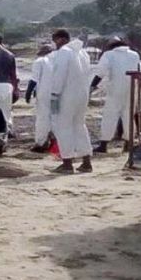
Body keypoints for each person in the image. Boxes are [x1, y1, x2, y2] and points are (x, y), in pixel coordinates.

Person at [91, 38, 141, 153]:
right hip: (132, 88)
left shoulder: (109, 55)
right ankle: (129, 143)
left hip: (115, 90)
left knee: (110, 116)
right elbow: (140, 70)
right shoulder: (134, 55)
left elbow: (100, 72)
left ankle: (104, 144)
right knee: (128, 116)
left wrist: (92, 86)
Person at [48, 29, 93, 173]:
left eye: (55, 41)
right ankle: (86, 161)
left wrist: (54, 94)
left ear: (61, 39)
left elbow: (59, 75)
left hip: (67, 96)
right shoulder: (83, 53)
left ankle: (67, 163)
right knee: (80, 126)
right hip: (82, 95)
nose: (55, 44)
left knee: (64, 127)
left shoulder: (64, 52)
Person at [25, 45, 55, 152]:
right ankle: (54, 142)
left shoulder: (40, 61)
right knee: (54, 118)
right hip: (57, 94)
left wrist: (28, 93)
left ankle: (41, 143)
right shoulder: (57, 61)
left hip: (44, 95)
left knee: (42, 119)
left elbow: (34, 80)